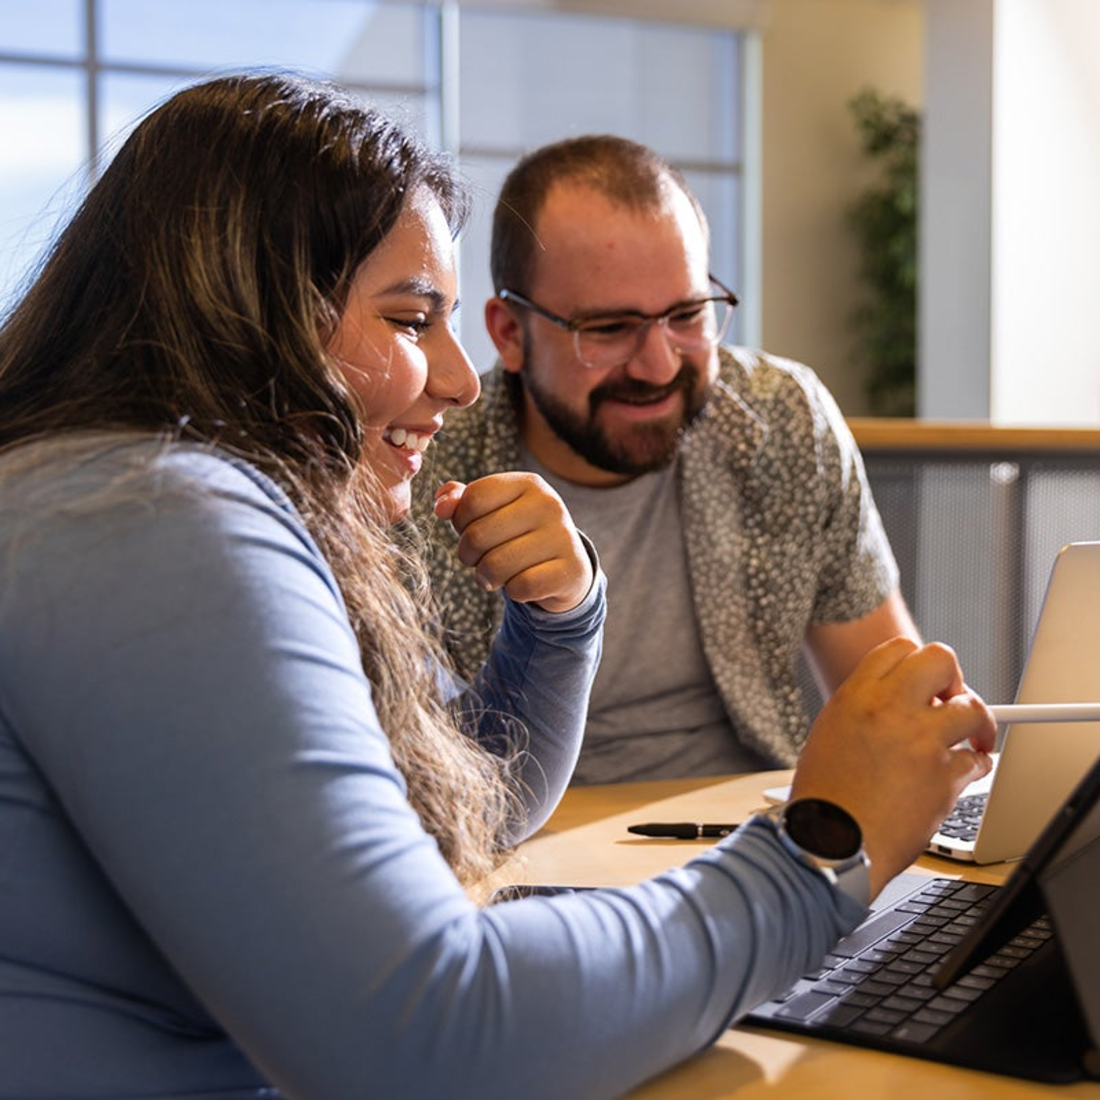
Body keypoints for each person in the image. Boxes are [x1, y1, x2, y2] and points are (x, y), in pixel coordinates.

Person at [0, 71, 994, 1100]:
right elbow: (430, 1033)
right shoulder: (157, 519)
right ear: (250, 315)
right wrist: (810, 856)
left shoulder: (113, 494)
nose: (458, 377)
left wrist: (558, 625)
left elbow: (448, 813)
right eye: (407, 319)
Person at [413, 134, 920, 784]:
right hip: (534, 853)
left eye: (687, 315)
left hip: (759, 834)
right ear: (510, 334)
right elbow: (418, 783)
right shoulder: (420, 472)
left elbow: (888, 693)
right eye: (608, 329)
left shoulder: (782, 419)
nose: (659, 365)